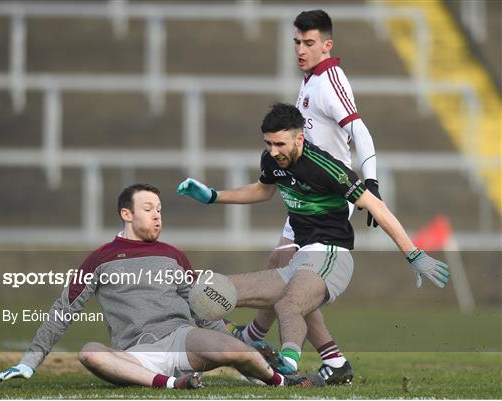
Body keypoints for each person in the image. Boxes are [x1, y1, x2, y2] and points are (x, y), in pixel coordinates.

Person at [177, 102, 450, 375]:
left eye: (280, 144)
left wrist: (414, 254)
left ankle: (286, 364)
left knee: (289, 304)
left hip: (332, 254)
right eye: (269, 143)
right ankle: (247, 346)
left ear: (300, 137)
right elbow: (262, 191)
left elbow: (377, 207)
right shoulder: (271, 160)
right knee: (214, 290)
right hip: (302, 258)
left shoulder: (327, 169)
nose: (274, 151)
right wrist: (213, 196)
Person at [0, 183, 325, 389]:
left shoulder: (173, 255)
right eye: (148, 209)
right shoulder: (99, 260)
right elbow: (63, 310)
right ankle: (170, 384)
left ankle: (280, 380)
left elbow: (200, 304)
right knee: (89, 353)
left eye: (160, 210)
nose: (157, 216)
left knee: (234, 350)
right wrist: (29, 361)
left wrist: (226, 336)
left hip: (182, 338)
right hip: (134, 354)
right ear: (126, 213)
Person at [227, 9, 383, 384]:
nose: (301, 49)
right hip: (303, 192)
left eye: (309, 42)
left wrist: (371, 182)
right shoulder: (310, 80)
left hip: (327, 198)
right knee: (286, 276)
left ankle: (253, 340)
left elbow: (359, 130)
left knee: (290, 278)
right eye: (296, 41)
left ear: (327, 45)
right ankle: (326, 359)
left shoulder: (329, 79)